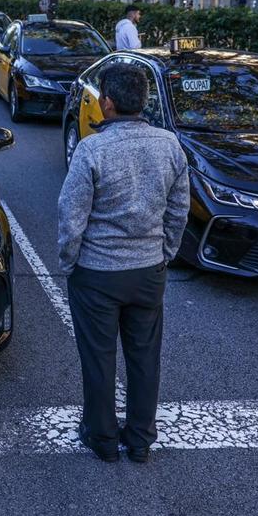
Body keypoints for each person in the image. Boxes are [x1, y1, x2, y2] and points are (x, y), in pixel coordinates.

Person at [58, 63, 189, 464]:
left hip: (97, 272)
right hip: (148, 270)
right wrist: (164, 252)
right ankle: (140, 440)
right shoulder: (169, 145)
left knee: (99, 357)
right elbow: (178, 209)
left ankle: (101, 437)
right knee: (145, 356)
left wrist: (70, 260)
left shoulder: (92, 149)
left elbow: (71, 214)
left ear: (107, 103)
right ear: (143, 101)